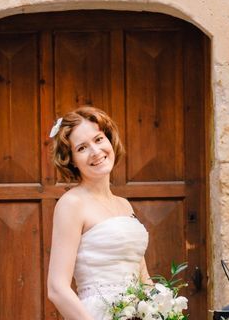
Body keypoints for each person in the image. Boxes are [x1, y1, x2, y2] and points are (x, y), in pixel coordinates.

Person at [47, 106, 151, 320]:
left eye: (98, 139)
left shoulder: (124, 205)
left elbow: (143, 278)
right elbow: (57, 288)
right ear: (71, 159)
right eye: (82, 148)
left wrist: (159, 310)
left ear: (110, 140)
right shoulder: (72, 204)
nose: (95, 151)